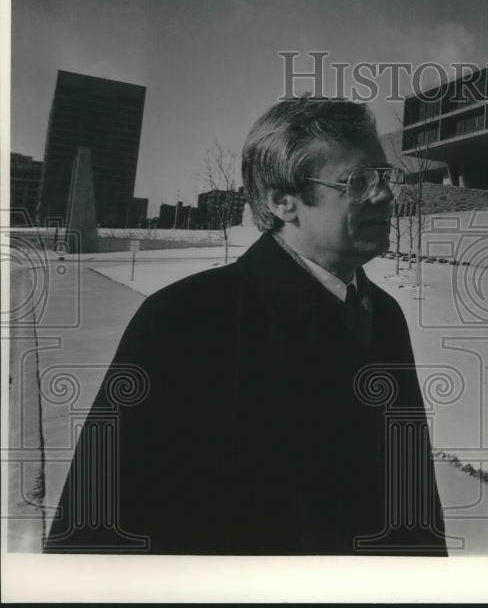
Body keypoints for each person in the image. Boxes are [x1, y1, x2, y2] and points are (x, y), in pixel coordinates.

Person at [45, 99, 447, 555]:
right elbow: (95, 526)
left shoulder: (386, 314)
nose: (385, 194)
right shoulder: (182, 321)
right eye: (358, 181)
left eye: (383, 176)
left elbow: (413, 492)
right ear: (282, 201)